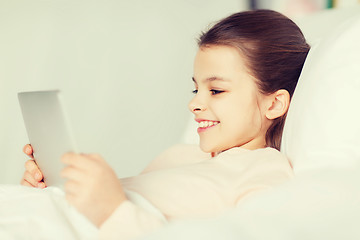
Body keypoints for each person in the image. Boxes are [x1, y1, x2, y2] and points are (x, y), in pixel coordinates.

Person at [20, 9, 310, 240]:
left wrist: (112, 211)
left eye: (217, 90)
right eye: (196, 89)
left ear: (273, 104)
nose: (194, 104)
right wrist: (52, 191)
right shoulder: (178, 155)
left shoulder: (264, 170)